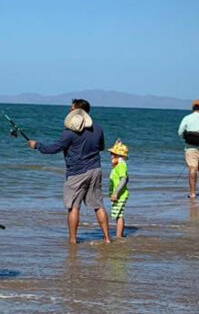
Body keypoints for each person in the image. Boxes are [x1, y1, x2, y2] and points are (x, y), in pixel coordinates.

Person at [28, 99, 112, 244]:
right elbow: (101, 147)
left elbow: (53, 149)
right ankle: (107, 238)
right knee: (98, 205)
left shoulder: (69, 133)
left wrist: (37, 145)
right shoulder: (98, 128)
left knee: (73, 207)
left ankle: (73, 240)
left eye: (71, 109)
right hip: (95, 169)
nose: (69, 111)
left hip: (76, 173)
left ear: (76, 111)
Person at [108, 140, 130, 239]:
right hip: (119, 194)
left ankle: (119, 235)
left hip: (120, 195)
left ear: (118, 155)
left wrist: (116, 193)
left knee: (118, 216)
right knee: (118, 215)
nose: (111, 156)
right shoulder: (119, 165)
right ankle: (120, 234)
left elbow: (124, 179)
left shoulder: (121, 166)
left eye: (112, 154)